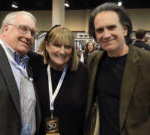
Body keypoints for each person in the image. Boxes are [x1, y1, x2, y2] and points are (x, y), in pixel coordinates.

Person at [84, 3, 150, 135]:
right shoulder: (94, 60)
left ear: (125, 30)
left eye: (111, 27)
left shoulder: (146, 61)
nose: (106, 35)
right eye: (100, 30)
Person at [28, 25, 88, 135]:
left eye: (67, 47)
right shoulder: (36, 65)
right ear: (47, 46)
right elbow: (12, 48)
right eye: (57, 45)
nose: (62, 51)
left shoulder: (82, 72)